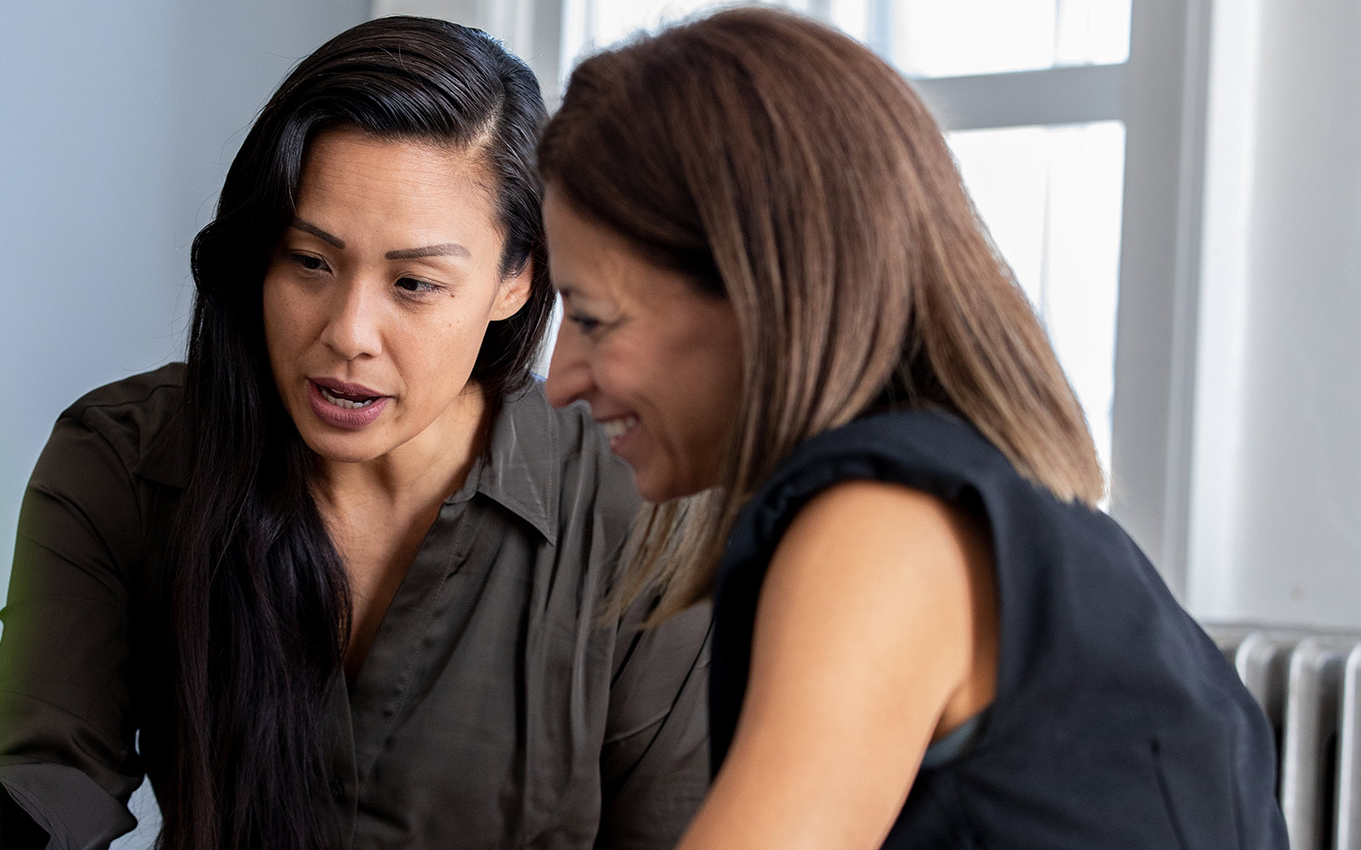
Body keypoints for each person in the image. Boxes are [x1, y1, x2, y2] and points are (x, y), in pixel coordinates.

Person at [0, 17, 711, 850]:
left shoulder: (638, 502)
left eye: (413, 285)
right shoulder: (121, 460)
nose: (347, 331)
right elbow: (54, 778)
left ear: (515, 280)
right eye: (309, 262)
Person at [537, 8, 1288, 849]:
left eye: (594, 320)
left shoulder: (880, 524)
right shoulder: (1001, 507)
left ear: (762, 296)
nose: (561, 381)